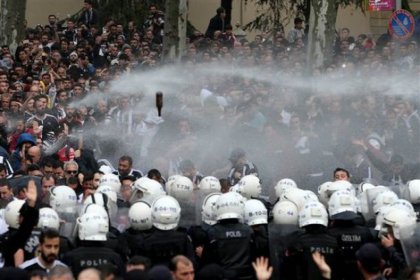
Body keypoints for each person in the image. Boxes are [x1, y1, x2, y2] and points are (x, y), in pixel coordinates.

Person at [202, 192, 254, 280]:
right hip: (247, 276)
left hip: (223, 276)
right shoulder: (248, 230)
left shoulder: (213, 232)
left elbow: (207, 261)